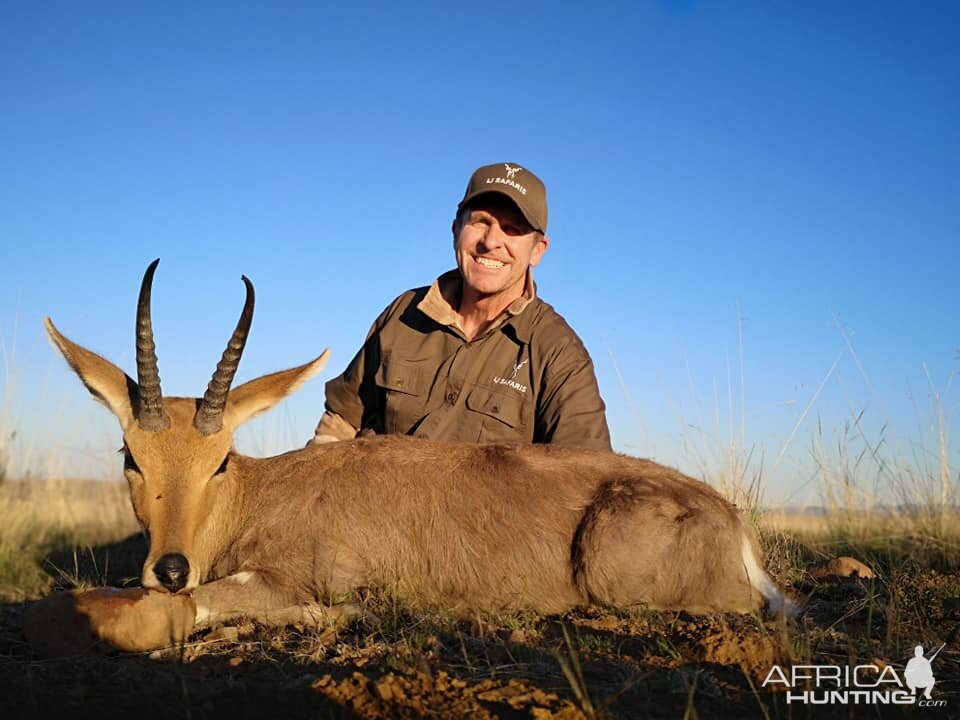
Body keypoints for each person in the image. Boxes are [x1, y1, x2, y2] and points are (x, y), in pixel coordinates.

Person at [312, 162, 611, 451]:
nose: (492, 241)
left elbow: (588, 475)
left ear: (538, 250)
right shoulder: (403, 312)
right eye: (481, 221)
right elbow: (342, 419)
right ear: (456, 229)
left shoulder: (558, 352)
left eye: (513, 229)